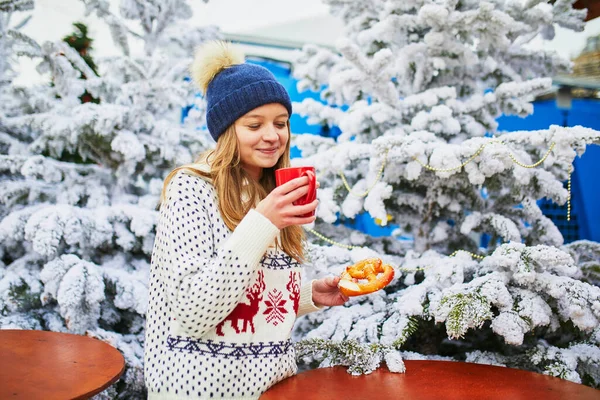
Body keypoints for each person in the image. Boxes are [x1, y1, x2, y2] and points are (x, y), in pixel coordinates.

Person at [144, 41, 349, 400]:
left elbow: (245, 292)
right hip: (202, 390)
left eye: (281, 123)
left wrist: (304, 294)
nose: (272, 136)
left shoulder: (268, 188)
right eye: (254, 124)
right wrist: (262, 223)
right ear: (226, 131)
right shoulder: (191, 188)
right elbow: (194, 309)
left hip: (271, 387)